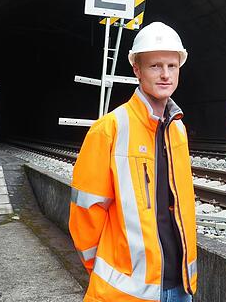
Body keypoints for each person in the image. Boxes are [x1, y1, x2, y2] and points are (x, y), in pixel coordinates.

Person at [69, 22, 197, 302]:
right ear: (137, 69)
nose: (165, 75)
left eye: (172, 66)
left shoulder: (177, 128)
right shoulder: (110, 129)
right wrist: (103, 271)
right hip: (125, 293)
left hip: (181, 287)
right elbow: (86, 212)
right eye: (155, 66)